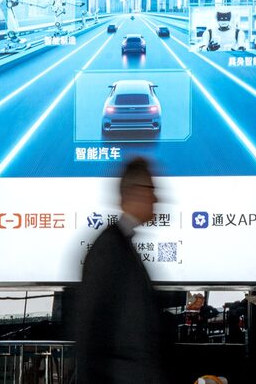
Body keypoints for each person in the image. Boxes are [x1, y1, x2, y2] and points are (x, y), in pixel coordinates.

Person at [75, 156, 166, 384]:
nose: (156, 198)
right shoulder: (109, 247)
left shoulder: (122, 243)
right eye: (151, 189)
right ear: (135, 192)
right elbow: (90, 325)